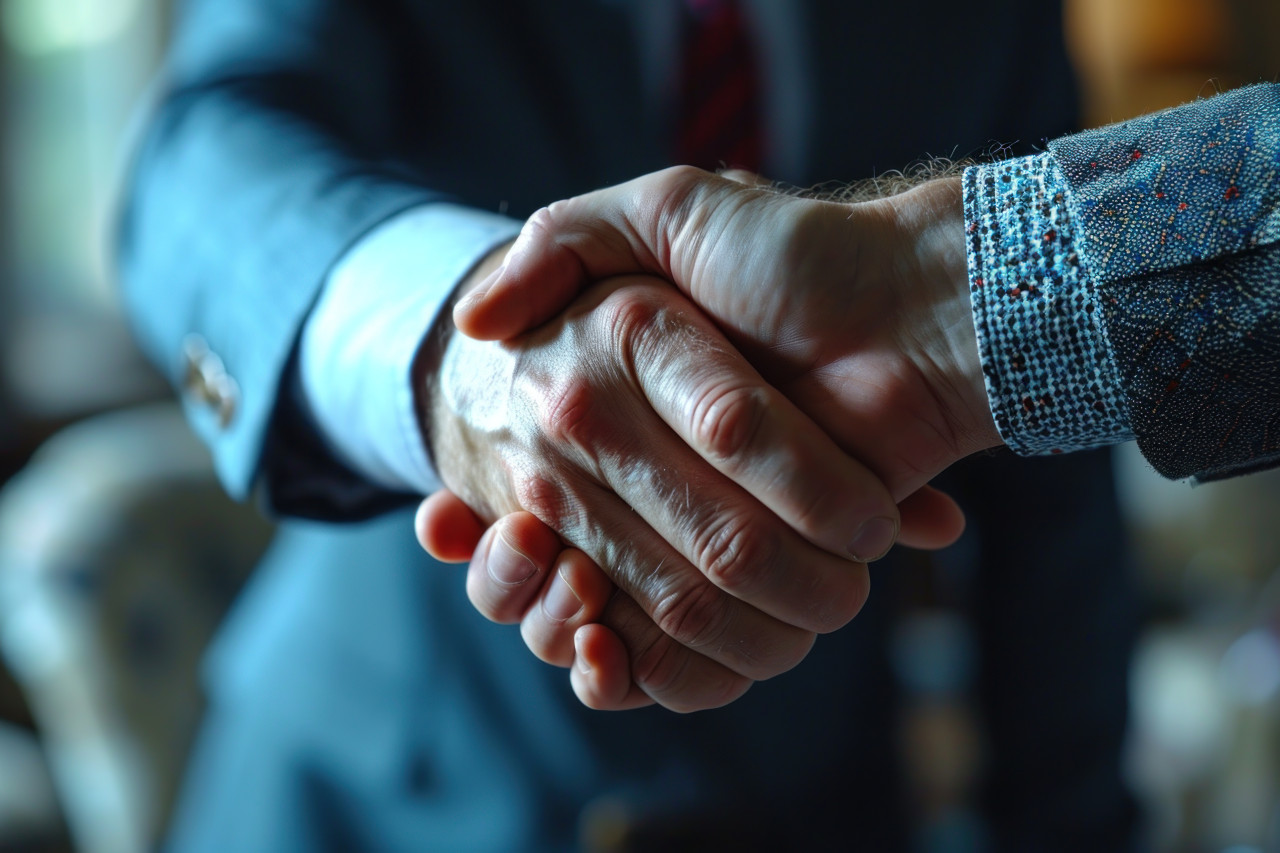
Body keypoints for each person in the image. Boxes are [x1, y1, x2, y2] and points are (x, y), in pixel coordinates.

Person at [116, 0, 1137, 848]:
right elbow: (203, 159)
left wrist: (1073, 824)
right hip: (381, 786)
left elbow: (1050, 476)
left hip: (810, 792)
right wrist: (454, 351)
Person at [431, 82, 1280, 706]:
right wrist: (461, 361)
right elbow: (292, 170)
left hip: (845, 758)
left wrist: (945, 307)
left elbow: (1058, 527)